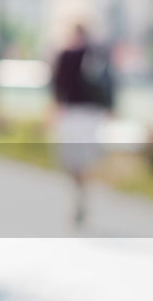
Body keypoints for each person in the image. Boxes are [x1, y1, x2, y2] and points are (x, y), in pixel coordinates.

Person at [49, 22, 115, 226]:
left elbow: (57, 86)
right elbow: (110, 82)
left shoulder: (69, 56)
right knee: (78, 158)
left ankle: (80, 191)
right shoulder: (95, 54)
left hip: (78, 114)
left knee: (74, 158)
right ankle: (81, 191)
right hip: (86, 114)